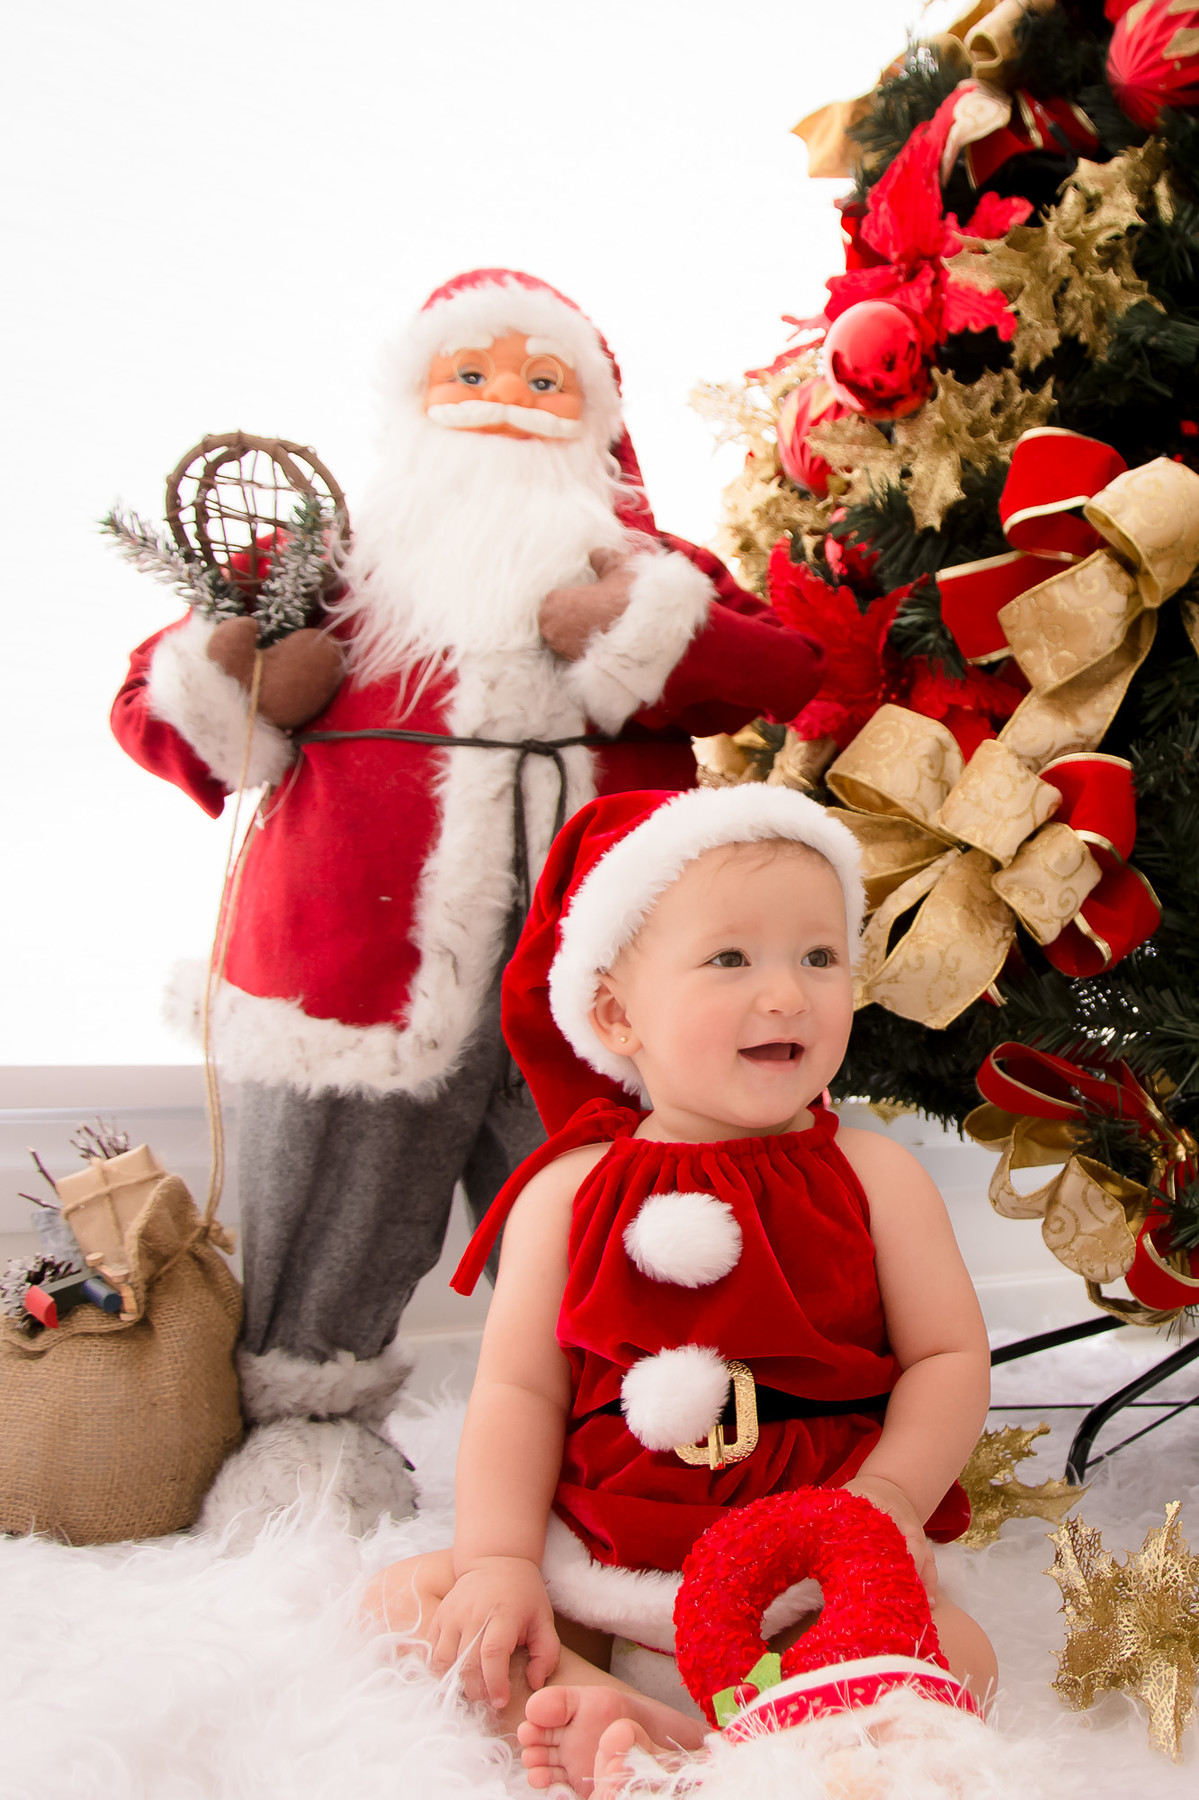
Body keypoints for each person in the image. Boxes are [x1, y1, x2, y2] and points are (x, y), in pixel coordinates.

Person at [109, 270, 826, 1535]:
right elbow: (152, 707)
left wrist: (629, 621)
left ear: (594, 416)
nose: (506, 405)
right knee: (328, 1206)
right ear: (415, 403)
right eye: (472, 378)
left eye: (543, 381)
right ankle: (306, 1440)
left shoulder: (642, 560)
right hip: (358, 977)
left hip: (602, 981)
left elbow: (778, 666)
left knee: (632, 1216)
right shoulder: (326, 564)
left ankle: (641, 1446)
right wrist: (242, 677)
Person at [365, 783, 996, 1798]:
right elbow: (522, 1390)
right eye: (731, 959)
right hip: (607, 1557)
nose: (786, 993)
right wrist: (498, 1560)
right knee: (416, 1604)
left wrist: (884, 1502)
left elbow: (947, 1359)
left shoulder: (876, 1177)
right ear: (617, 1012)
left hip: (805, 1557)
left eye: (819, 956)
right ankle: (615, 1701)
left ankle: (718, 1737)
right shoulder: (565, 1192)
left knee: (957, 1658)